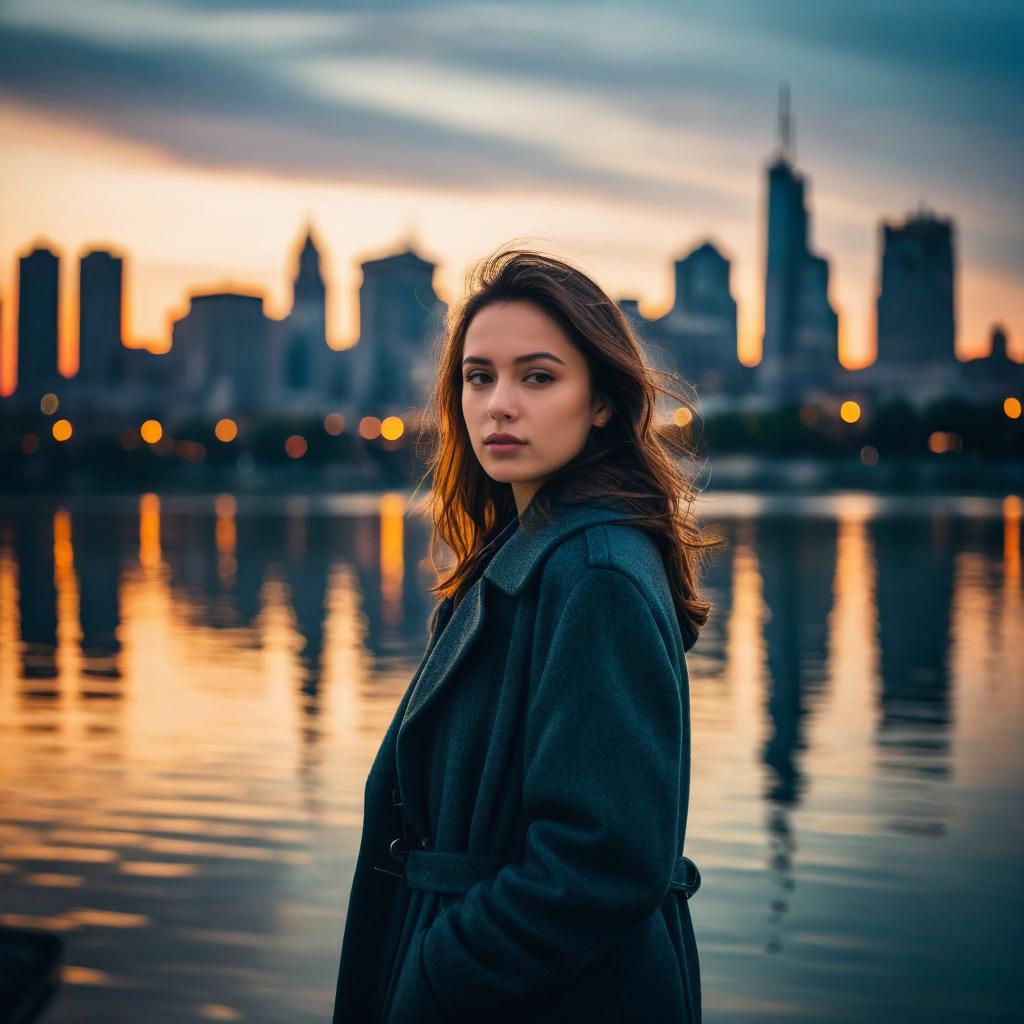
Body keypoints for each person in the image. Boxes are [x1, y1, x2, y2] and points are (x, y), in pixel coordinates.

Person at [332, 246, 719, 1023]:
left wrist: (440, 974)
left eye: (537, 377)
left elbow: (601, 862)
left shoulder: (594, 573)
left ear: (601, 400)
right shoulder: (528, 553)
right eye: (480, 377)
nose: (499, 404)